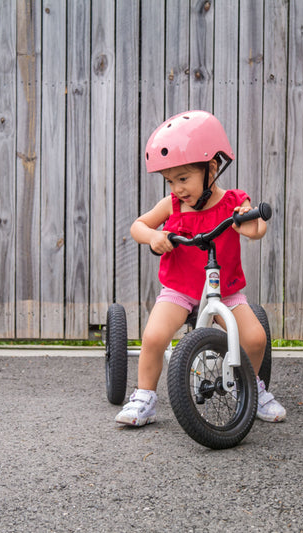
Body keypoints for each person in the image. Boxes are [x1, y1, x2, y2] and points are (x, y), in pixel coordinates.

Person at [115, 109, 286, 427]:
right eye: (170, 181)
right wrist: (154, 236)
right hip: (179, 290)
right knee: (153, 337)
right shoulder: (172, 205)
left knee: (255, 338)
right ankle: (144, 397)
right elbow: (138, 226)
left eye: (183, 179)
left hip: (224, 291)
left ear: (211, 169)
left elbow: (256, 228)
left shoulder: (233, 202)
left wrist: (247, 224)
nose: (177, 188)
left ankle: (252, 388)